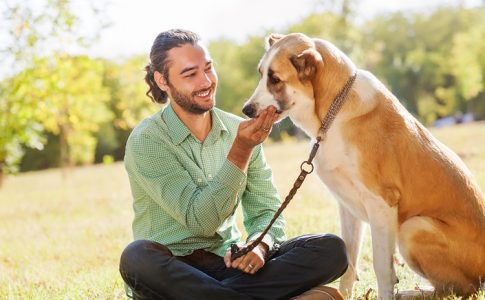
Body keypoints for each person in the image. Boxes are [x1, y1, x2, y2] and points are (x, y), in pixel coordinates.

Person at [119, 29, 348, 300]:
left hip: (228, 266)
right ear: (163, 81)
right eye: (190, 74)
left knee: (330, 250)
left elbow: (265, 209)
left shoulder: (236, 128)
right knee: (136, 257)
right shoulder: (148, 141)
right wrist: (241, 150)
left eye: (208, 68)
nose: (206, 81)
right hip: (173, 274)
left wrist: (260, 245)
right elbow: (200, 222)